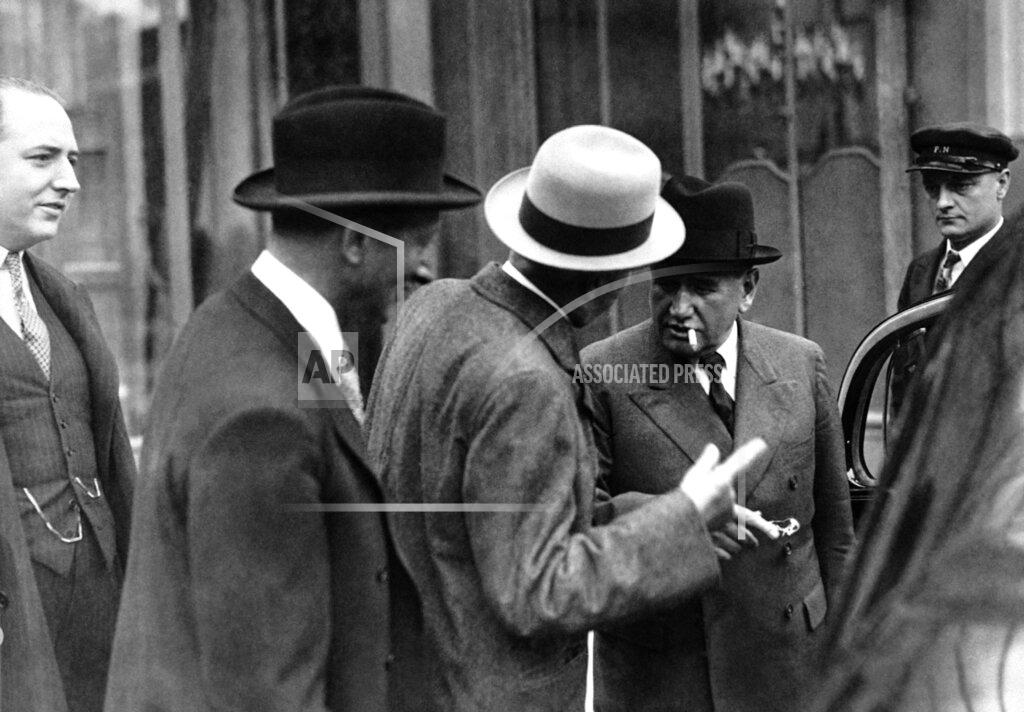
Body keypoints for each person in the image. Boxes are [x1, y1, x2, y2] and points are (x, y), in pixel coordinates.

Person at [365, 125, 771, 711]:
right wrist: (683, 520)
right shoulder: (528, 381)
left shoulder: (432, 306)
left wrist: (675, 515)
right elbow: (541, 591)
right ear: (602, 276)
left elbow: (490, 511)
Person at [103, 86, 480, 712]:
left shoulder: (264, 327)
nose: (423, 270)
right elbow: (267, 689)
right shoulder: (260, 415)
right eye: (418, 244)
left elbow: (341, 449)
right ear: (356, 244)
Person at [580, 175, 855, 712]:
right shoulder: (602, 372)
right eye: (665, 285)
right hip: (667, 675)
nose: (679, 307)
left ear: (748, 289)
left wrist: (847, 655)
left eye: (703, 288)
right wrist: (684, 518)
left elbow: (836, 531)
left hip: (791, 663)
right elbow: (582, 519)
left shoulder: (800, 362)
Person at [0, 77, 136, 712]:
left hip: (103, 607)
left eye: (73, 160)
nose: (71, 181)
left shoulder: (64, 297)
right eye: (43, 158)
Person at [891, 123, 1018, 413]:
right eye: (932, 187)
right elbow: (903, 391)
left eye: (961, 185)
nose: (943, 202)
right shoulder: (920, 272)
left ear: (1001, 184)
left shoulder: (1017, 269)